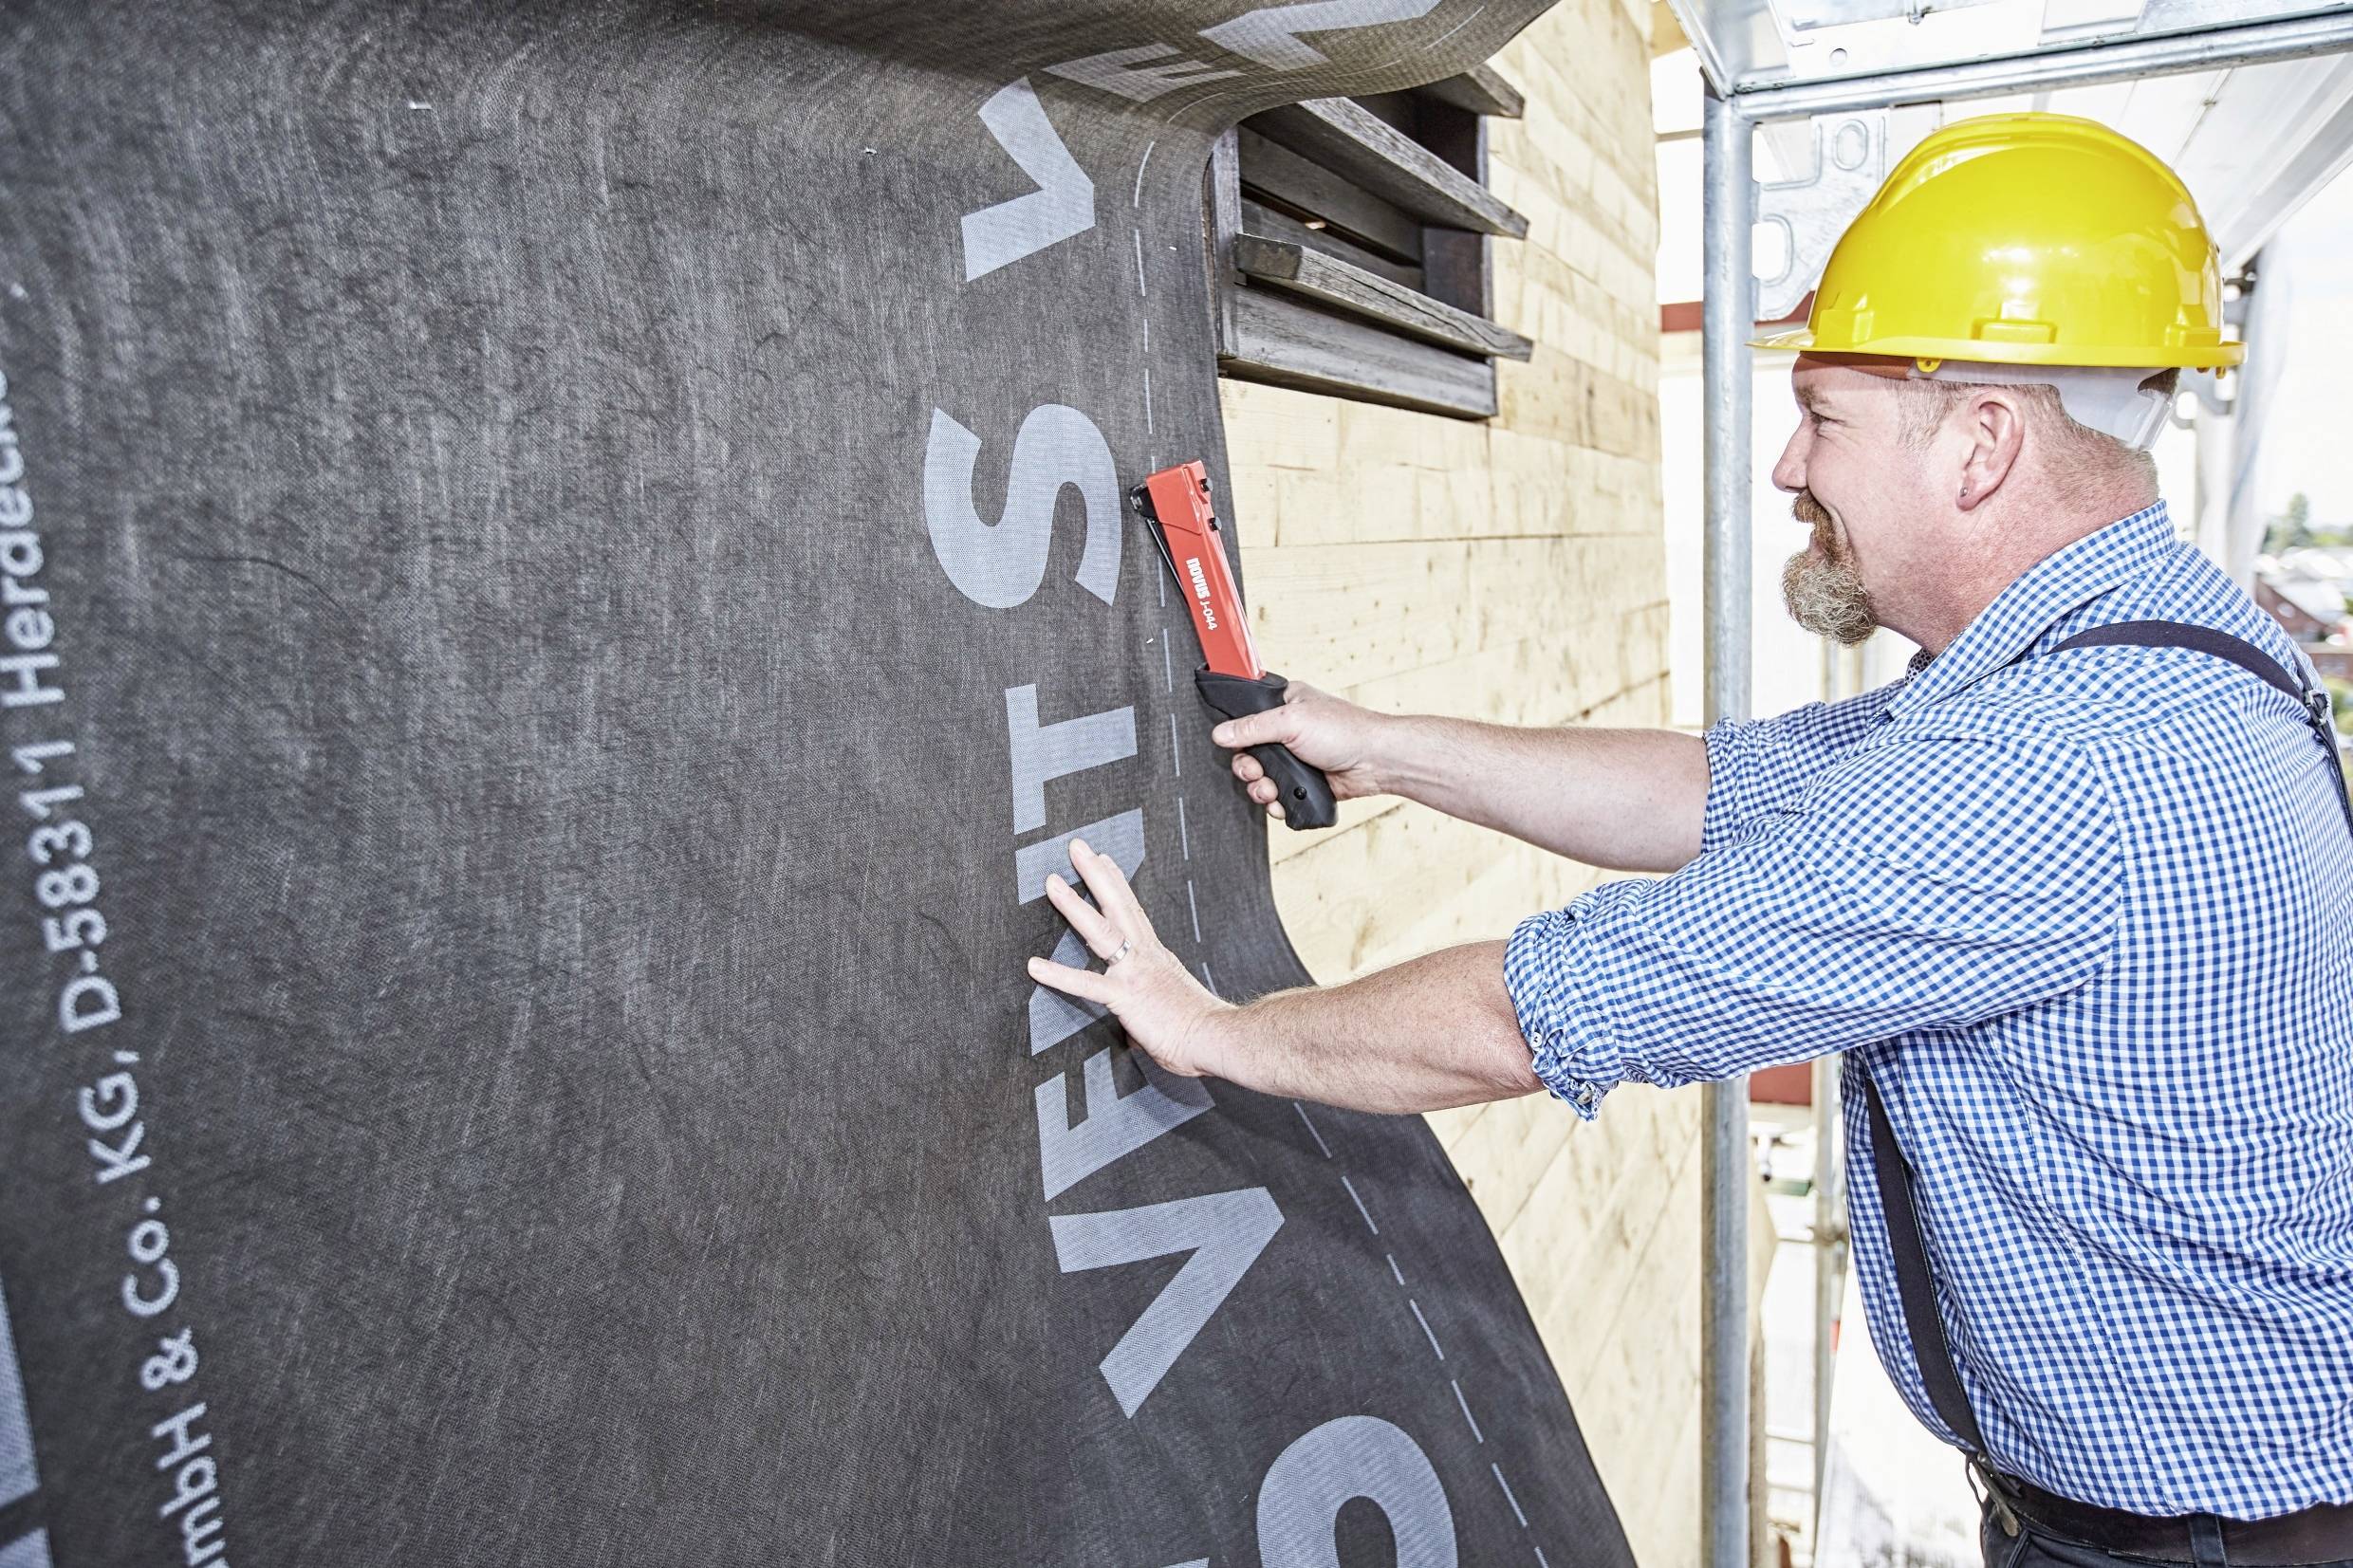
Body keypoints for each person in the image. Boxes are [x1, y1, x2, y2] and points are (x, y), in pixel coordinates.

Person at [1028, 113, 2353, 1565]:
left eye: (1826, 417)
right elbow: (1712, 788)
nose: (1790, 462)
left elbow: (1535, 1012)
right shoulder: (2138, 654)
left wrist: (1214, 1029)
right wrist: (1379, 741)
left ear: (1983, 442)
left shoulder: (2055, 766)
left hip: (2205, 1544)